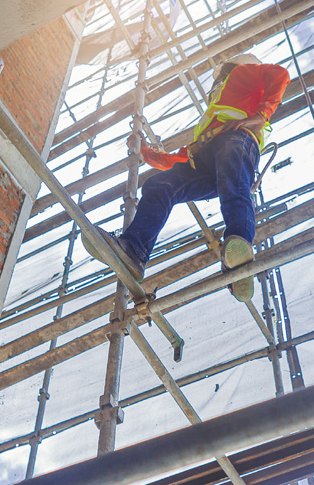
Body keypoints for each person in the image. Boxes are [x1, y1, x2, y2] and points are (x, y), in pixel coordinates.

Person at [84, 53, 290, 302]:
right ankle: (133, 251)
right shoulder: (213, 114)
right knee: (160, 185)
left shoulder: (240, 75)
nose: (215, 84)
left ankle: (240, 249)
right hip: (206, 154)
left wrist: (261, 115)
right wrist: (144, 152)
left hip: (236, 140)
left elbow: (280, 75)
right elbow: (175, 161)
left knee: (234, 188)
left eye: (219, 76)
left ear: (229, 70)